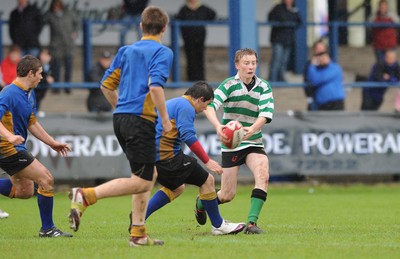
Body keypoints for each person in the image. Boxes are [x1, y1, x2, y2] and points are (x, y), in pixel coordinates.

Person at [68, 6, 173, 247]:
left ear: (141, 26)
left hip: (121, 118)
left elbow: (106, 85)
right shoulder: (163, 52)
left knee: (147, 174)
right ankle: (86, 196)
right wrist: (166, 120)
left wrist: (121, 108)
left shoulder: (126, 50)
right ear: (164, 28)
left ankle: (138, 233)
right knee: (144, 181)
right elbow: (155, 87)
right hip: (141, 120)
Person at [145, 81, 245, 235]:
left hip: (157, 155)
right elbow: (188, 137)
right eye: (206, 104)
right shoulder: (186, 107)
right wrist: (208, 161)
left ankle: (139, 217)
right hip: (168, 157)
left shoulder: (175, 102)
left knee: (177, 188)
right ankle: (218, 225)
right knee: (207, 180)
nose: (205, 108)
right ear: (199, 99)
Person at [196, 48, 274, 234]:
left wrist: (252, 129)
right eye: (246, 63)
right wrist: (218, 127)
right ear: (237, 65)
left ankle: (252, 224)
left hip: (253, 140)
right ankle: (201, 202)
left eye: (253, 63)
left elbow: (265, 114)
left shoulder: (264, 87)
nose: (250, 67)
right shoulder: (229, 84)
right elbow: (209, 107)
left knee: (263, 175)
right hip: (232, 144)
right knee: (227, 194)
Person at [0, 55, 73, 237]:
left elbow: (31, 123)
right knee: (46, 179)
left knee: (24, 191)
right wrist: (9, 136)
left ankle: (47, 229)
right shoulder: (9, 93)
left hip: (16, 147)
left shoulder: (27, 94)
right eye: (40, 73)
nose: (42, 77)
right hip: (7, 148)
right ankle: (47, 229)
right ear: (31, 73)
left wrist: (52, 143)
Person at [43, 0, 80, 94]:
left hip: (68, 45)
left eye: (58, 6)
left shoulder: (69, 14)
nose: (56, 8)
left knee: (68, 68)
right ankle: (56, 88)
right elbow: (42, 20)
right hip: (56, 46)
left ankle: (67, 88)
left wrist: (75, 32)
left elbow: (78, 23)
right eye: (54, 6)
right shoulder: (50, 15)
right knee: (56, 68)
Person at [175, 0, 216, 81]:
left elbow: (213, 15)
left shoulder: (203, 8)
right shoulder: (184, 9)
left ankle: (200, 79)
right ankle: (190, 79)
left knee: (199, 58)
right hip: (188, 39)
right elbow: (178, 20)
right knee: (190, 58)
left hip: (200, 38)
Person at [305, 40, 346, 111]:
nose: (321, 57)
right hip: (321, 103)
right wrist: (312, 66)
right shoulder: (311, 67)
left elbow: (318, 79)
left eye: (323, 54)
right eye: (318, 54)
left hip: (335, 102)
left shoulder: (335, 68)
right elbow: (311, 80)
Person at [268, 0, 301, 82]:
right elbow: (271, 18)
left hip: (288, 39)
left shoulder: (294, 9)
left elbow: (299, 21)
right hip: (278, 39)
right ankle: (272, 79)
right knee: (277, 60)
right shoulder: (278, 8)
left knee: (284, 61)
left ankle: (281, 78)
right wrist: (283, 22)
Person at [35, 48, 54, 114]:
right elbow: (35, 77)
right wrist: (46, 79)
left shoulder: (51, 65)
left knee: (38, 100)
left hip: (41, 90)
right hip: (34, 89)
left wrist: (51, 78)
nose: (45, 57)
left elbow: (54, 75)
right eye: (43, 55)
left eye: (47, 55)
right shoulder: (35, 65)